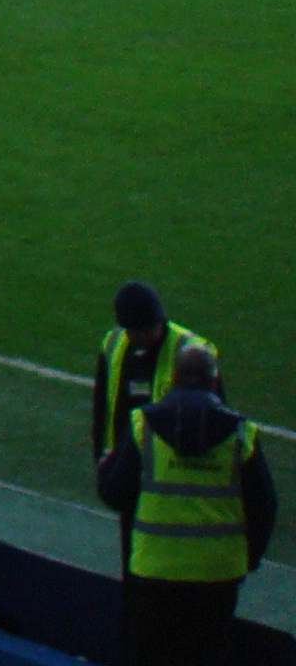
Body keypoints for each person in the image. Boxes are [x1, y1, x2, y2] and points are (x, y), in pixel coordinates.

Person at [99, 342, 273, 666]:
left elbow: (112, 492)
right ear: (214, 380)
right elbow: (264, 506)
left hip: (154, 569)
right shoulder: (239, 434)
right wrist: (247, 559)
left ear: (174, 378)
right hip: (217, 574)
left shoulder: (143, 426)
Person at [95, 283, 220, 556]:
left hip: (177, 480)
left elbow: (217, 420)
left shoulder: (192, 352)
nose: (141, 337)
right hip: (130, 474)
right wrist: (105, 470)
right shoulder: (114, 345)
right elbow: (102, 411)